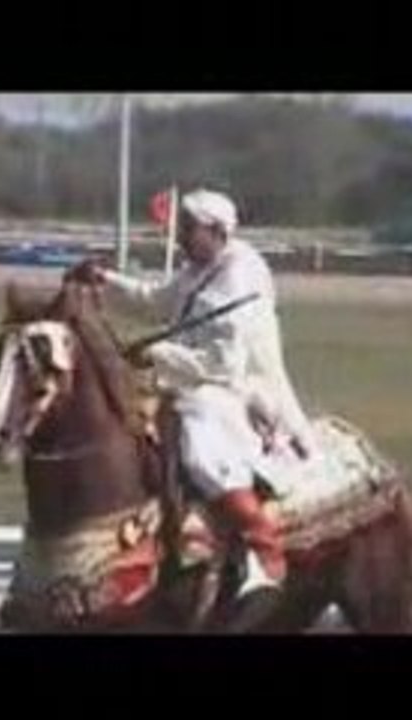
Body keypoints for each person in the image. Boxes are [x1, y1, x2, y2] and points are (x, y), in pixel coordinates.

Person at [75, 188, 317, 607]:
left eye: (189, 229)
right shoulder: (197, 267)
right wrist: (105, 280)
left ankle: (262, 544)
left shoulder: (240, 275)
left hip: (239, 388)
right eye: (180, 228)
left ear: (218, 232)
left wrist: (154, 353)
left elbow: (222, 365)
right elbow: (154, 304)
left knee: (197, 435)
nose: (180, 237)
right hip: (190, 377)